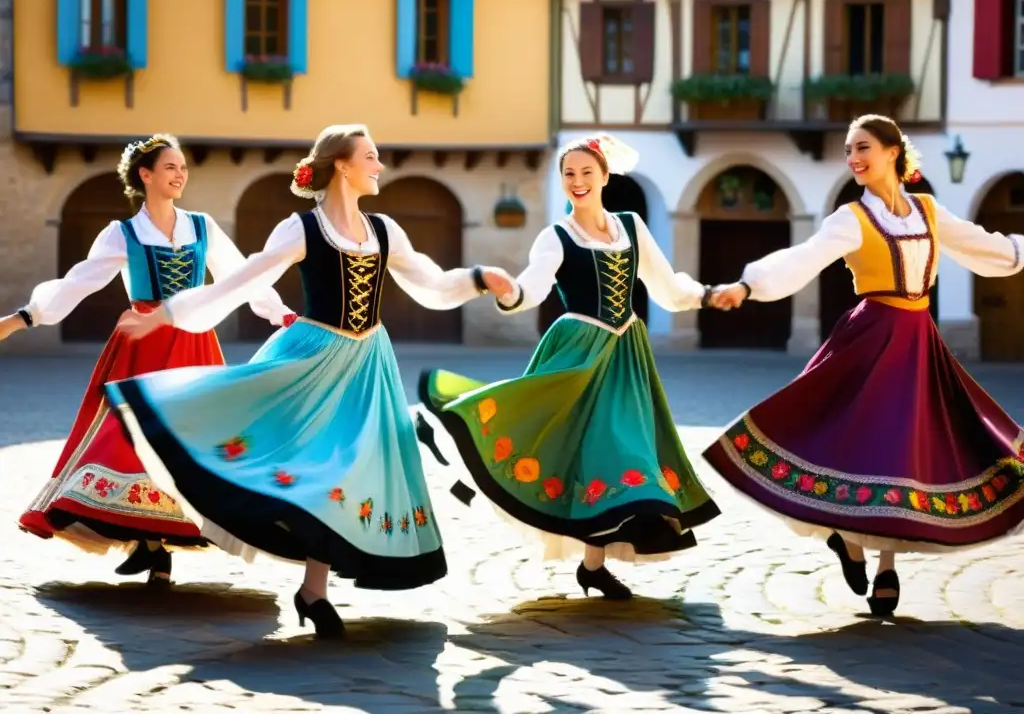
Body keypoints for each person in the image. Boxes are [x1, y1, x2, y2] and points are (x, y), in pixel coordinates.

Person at [105, 124, 515, 638]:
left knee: (350, 473)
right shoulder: (302, 228)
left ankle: (312, 590)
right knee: (318, 470)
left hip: (370, 368)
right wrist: (165, 313)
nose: (380, 165)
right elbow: (240, 282)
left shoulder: (386, 230)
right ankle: (314, 591)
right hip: (314, 362)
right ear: (343, 165)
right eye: (371, 156)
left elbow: (432, 286)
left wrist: (480, 279)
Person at [704, 114, 1024, 616]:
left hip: (918, 340)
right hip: (870, 339)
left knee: (902, 454)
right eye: (849, 150)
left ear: (894, 151)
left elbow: (985, 245)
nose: (853, 158)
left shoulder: (928, 210)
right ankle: (863, 551)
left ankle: (881, 563)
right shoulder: (850, 218)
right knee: (866, 447)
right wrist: (749, 285)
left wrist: (1019, 251)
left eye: (863, 147)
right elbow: (803, 258)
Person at [417, 134, 721, 600]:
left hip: (626, 356)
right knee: (575, 446)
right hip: (577, 352)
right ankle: (457, 416)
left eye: (586, 173)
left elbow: (665, 289)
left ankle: (593, 566)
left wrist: (705, 295)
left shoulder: (632, 227)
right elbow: (532, 289)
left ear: (604, 176)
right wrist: (507, 293)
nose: (577, 182)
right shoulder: (555, 235)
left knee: (619, 450)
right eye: (569, 174)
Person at [3, 134, 292, 585]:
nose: (180, 175)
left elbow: (239, 276)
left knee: (191, 440)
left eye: (183, 168)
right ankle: (152, 546)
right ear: (146, 175)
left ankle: (154, 547)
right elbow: (79, 281)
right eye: (171, 167)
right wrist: (23, 318)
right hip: (142, 346)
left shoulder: (202, 227)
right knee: (131, 442)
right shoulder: (122, 233)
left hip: (193, 343)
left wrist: (280, 313)